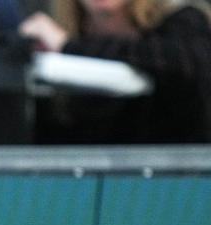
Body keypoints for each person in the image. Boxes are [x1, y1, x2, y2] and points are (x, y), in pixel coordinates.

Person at [19, 0, 211, 142]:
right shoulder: (50, 39)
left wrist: (68, 45)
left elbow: (182, 64)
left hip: (178, 184)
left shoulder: (184, 23)